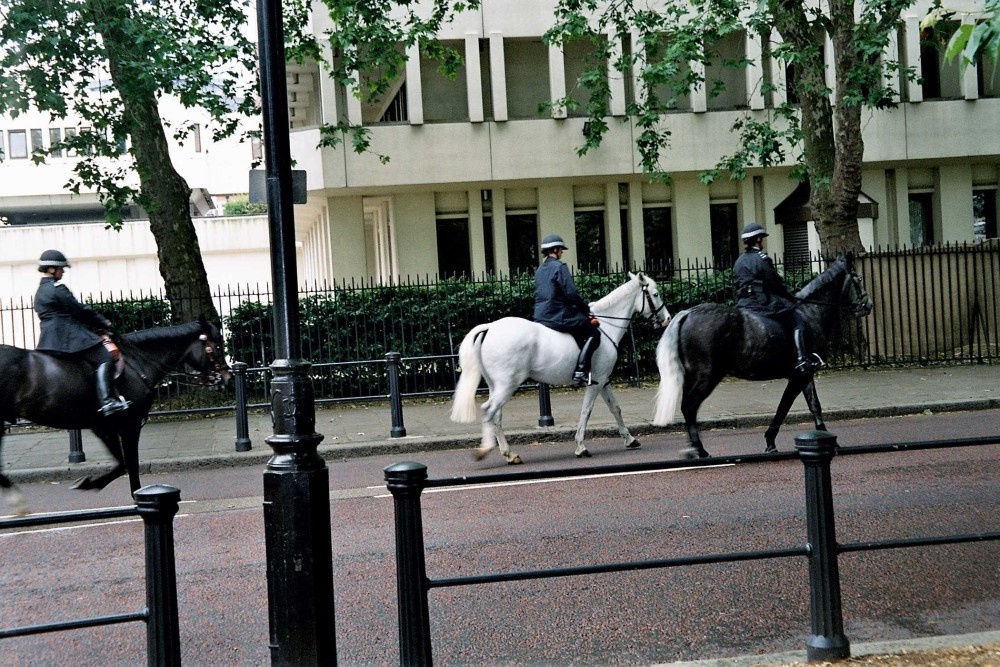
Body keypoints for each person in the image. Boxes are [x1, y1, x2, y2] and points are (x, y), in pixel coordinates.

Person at [34, 249, 130, 417]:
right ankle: (107, 401)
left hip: (48, 339)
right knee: (104, 358)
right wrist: (103, 322)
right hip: (68, 336)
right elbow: (79, 310)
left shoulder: (40, 291)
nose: (63, 271)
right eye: (61, 268)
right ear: (51, 269)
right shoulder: (58, 289)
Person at [732, 223, 824, 376]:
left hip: (744, 304)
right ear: (759, 239)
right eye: (762, 239)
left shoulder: (739, 261)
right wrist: (790, 297)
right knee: (797, 319)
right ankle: (802, 359)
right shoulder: (762, 259)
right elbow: (775, 283)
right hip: (762, 302)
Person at [533, 234, 601, 386]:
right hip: (557, 315)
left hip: (540, 316)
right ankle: (581, 372)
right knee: (593, 333)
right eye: (561, 250)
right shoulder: (559, 267)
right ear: (555, 250)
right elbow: (572, 295)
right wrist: (587, 313)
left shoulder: (540, 269)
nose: (562, 252)